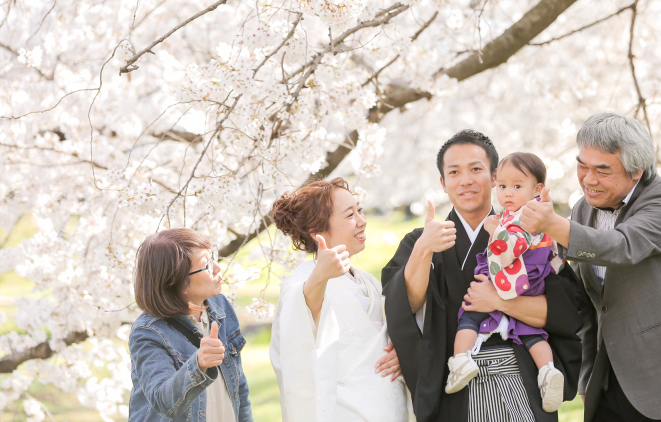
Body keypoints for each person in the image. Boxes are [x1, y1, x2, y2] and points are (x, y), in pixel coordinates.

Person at [519, 112, 661, 422]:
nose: (588, 179)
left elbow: (621, 246)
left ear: (636, 171)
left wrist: (553, 225)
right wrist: (588, 375)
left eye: (602, 170)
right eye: (582, 166)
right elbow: (591, 305)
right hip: (609, 381)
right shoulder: (582, 209)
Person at [382, 130, 583, 422]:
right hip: (455, 386)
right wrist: (424, 249)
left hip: (522, 377)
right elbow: (402, 306)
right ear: (443, 183)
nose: (466, 180)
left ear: (494, 176)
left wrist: (498, 301)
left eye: (476, 169)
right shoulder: (422, 241)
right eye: (454, 172)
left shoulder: (534, 236)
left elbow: (564, 313)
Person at [269, 178, 411, 422]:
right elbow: (302, 309)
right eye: (349, 215)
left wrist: (403, 352)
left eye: (360, 210)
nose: (362, 221)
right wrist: (320, 277)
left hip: (390, 409)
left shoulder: (368, 281)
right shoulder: (303, 282)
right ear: (318, 231)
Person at [447, 152, 564, 413]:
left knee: (470, 313)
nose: (507, 193)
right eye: (502, 186)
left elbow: (509, 248)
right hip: (533, 281)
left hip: (507, 277)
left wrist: (494, 231)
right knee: (531, 332)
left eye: (517, 186)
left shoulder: (521, 217)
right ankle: (547, 371)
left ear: (538, 189)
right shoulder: (542, 218)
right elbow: (556, 253)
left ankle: (461, 361)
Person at [129, 228, 253, 422]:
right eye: (207, 264)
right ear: (178, 282)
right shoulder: (149, 332)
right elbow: (164, 402)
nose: (218, 268)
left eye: (214, 257)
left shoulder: (220, 307)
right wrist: (199, 364)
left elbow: (239, 388)